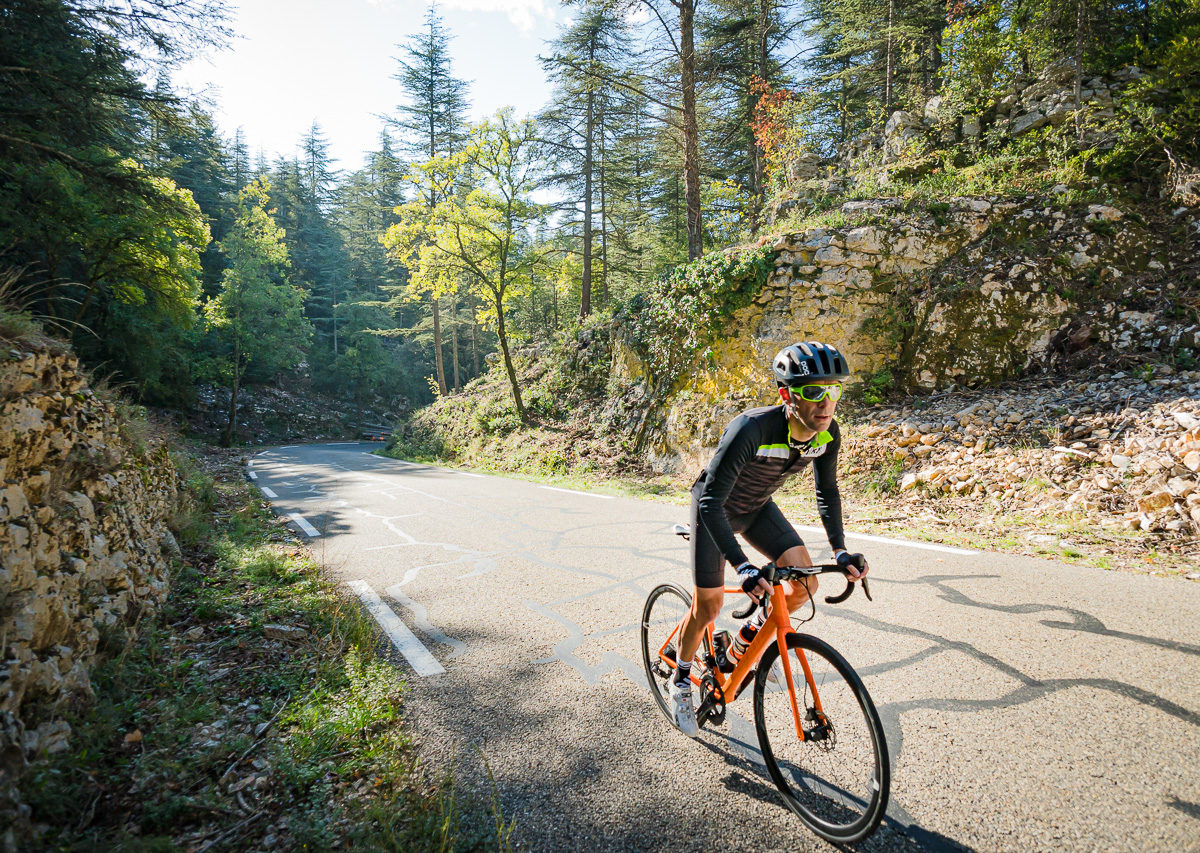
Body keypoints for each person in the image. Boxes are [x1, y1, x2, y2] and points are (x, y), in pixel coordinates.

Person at [669, 341, 869, 737]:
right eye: (814, 392)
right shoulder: (752, 428)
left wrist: (840, 550)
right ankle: (679, 680)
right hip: (714, 510)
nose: (826, 403)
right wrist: (741, 564)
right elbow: (710, 500)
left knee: (803, 586)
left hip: (758, 509)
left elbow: (826, 492)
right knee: (708, 607)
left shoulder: (827, 434)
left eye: (834, 391)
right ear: (787, 395)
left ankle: (742, 643)